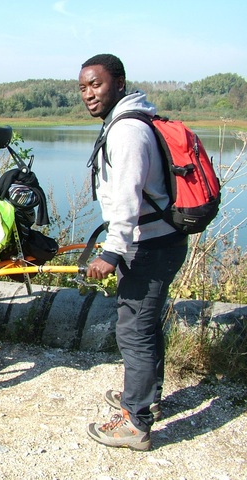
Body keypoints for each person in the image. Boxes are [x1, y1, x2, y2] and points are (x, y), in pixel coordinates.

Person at [79, 54, 188, 451]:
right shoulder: (131, 121)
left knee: (134, 330)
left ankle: (135, 422)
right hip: (160, 240)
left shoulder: (126, 132)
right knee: (144, 324)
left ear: (119, 83)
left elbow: (125, 201)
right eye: (84, 87)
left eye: (97, 84)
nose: (89, 94)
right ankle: (146, 398)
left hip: (148, 245)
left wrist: (111, 253)